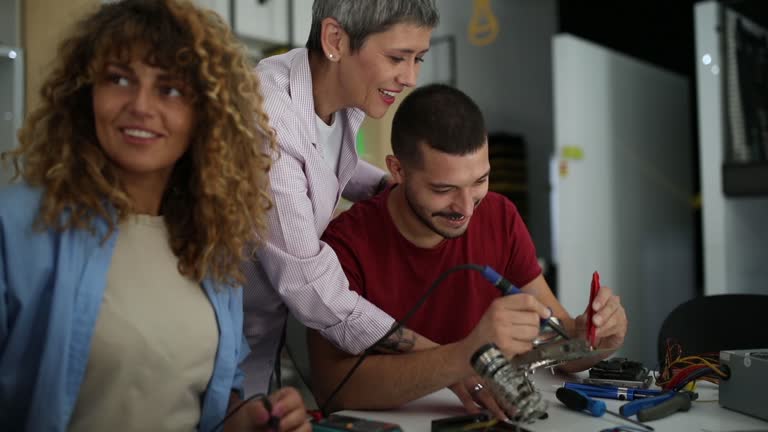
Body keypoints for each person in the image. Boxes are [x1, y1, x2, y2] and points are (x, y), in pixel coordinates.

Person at [0, 1, 308, 430]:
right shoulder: (17, 227)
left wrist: (249, 418)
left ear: (206, 114)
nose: (141, 105)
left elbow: (217, 391)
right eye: (119, 79)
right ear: (85, 93)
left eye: (170, 89)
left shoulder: (213, 239)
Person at [307, 84, 629, 418]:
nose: (466, 208)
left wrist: (598, 340)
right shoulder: (345, 243)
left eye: (479, 181)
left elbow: (560, 340)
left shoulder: (500, 216)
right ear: (398, 170)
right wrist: (462, 358)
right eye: (443, 189)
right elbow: (332, 387)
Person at [241, 0, 442, 393]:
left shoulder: (336, 95)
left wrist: (387, 187)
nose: (411, 77)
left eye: (419, 58)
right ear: (335, 39)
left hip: (257, 346)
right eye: (398, 58)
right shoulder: (267, 120)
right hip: (212, 351)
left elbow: (319, 160)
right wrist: (443, 359)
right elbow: (313, 287)